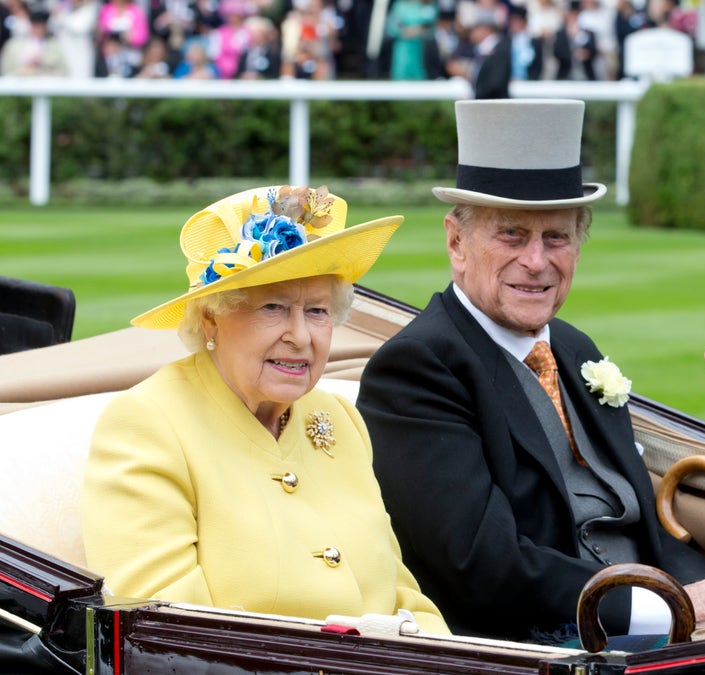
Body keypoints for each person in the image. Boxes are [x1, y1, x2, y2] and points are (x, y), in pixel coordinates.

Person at [357, 99, 705, 642]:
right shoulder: (418, 368)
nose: (537, 260)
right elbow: (481, 564)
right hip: (535, 644)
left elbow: (642, 520)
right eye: (512, 235)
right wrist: (666, 606)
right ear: (457, 242)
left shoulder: (573, 348)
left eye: (557, 237)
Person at [81, 185, 448, 633]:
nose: (301, 336)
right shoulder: (146, 426)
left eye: (316, 311)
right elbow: (166, 633)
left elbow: (404, 596)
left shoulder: (340, 418)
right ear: (211, 317)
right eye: (273, 308)